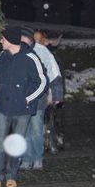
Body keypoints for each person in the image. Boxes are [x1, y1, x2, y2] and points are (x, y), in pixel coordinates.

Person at [0, 26, 48, 187]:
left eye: (2, 39)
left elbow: (42, 82)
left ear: (10, 40)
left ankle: (11, 177)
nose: (0, 41)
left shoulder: (31, 58)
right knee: (0, 144)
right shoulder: (4, 56)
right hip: (4, 108)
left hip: (23, 110)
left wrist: (27, 99)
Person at [19, 26, 63, 170]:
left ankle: (38, 159)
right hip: (23, 99)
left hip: (38, 98)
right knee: (24, 130)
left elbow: (54, 73)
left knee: (37, 129)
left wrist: (57, 95)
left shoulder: (43, 51)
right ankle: (26, 159)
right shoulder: (17, 51)